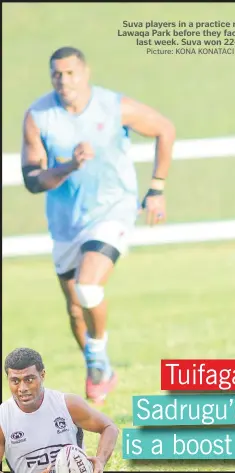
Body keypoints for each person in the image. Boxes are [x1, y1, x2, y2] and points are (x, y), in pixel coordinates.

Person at [20, 46, 176, 403]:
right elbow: (32, 179)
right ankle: (98, 365)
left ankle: (98, 356)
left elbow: (165, 129)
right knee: (75, 308)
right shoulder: (38, 116)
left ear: (85, 73)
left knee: (88, 287)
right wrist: (69, 167)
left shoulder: (113, 106)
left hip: (114, 209)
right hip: (65, 223)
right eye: (57, 74)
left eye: (71, 73)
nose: (64, 80)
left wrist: (157, 188)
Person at [0, 348, 119, 473]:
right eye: (15, 381)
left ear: (42, 375)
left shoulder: (66, 405)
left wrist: (100, 460)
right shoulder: (3, 419)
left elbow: (109, 427)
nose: (22, 388)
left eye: (29, 379)